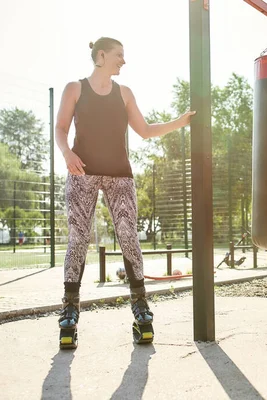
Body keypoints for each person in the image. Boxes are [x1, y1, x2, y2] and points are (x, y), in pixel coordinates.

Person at [55, 37, 195, 346]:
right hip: (82, 174)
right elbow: (61, 128)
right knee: (78, 239)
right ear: (101, 55)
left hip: (120, 176)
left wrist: (180, 122)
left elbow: (144, 131)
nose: (124, 60)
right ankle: (69, 312)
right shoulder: (74, 89)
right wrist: (66, 153)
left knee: (129, 238)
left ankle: (141, 308)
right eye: (119, 55)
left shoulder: (125, 93)